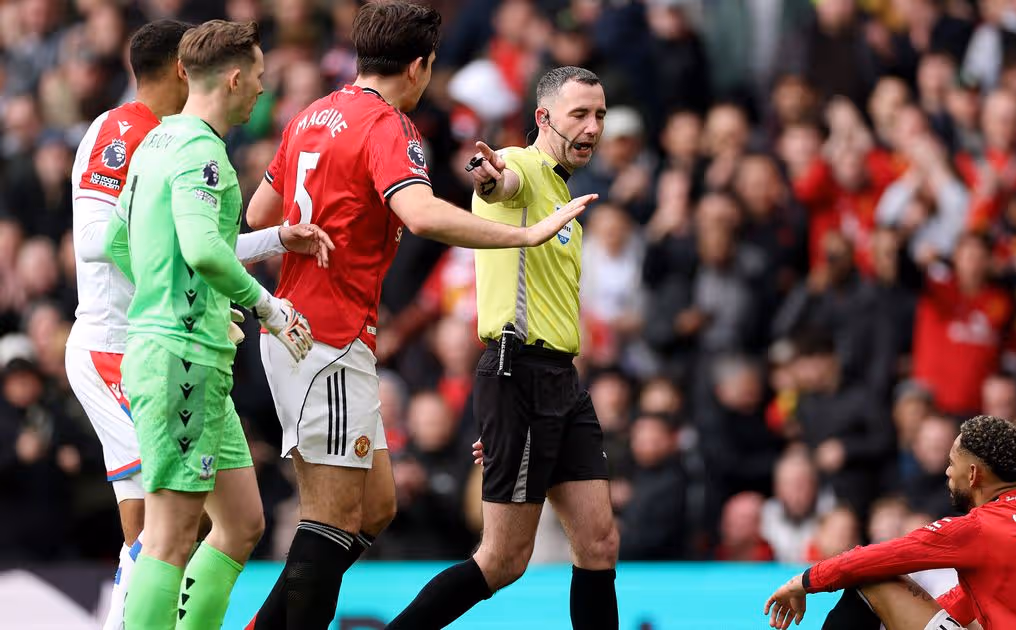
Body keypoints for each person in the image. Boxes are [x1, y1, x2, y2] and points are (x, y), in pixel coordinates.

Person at [241, 3, 596, 628]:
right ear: (419, 65)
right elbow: (423, 214)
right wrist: (524, 234)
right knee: (330, 518)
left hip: (307, 327)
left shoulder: (310, 115)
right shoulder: (388, 124)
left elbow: (259, 213)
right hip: (327, 335)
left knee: (375, 506)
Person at [65, 19, 331, 630]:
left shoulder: (160, 140)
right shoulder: (165, 140)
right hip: (154, 351)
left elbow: (135, 239)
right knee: (164, 533)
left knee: (240, 523)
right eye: (258, 76)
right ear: (222, 76)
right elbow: (186, 248)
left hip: (188, 351)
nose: (262, 88)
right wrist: (262, 307)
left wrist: (207, 291)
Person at [386, 65, 618, 630]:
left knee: (600, 544)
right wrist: (488, 178)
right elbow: (498, 181)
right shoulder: (521, 165)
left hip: (558, 382)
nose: (592, 127)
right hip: (521, 375)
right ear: (544, 118)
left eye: (599, 115)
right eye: (579, 115)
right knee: (503, 560)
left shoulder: (563, 190)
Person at [764, 415, 1016, 629]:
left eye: (952, 463)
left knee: (872, 579)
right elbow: (972, 600)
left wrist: (805, 580)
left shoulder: (979, 528)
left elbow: (874, 558)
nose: (948, 471)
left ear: (973, 474)